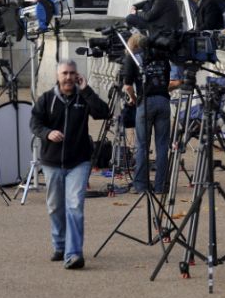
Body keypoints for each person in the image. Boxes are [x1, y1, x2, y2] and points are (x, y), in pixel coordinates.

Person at [30, 60, 110, 269]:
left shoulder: (83, 98)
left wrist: (87, 90)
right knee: (55, 207)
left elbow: (104, 112)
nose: (68, 77)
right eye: (64, 73)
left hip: (79, 161)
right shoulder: (46, 99)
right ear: (57, 76)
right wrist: (48, 133)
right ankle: (60, 245)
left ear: (77, 76)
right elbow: (35, 124)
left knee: (75, 206)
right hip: (52, 161)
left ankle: (73, 254)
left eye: (72, 73)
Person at [122, 33, 171, 194]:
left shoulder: (133, 58)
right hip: (163, 100)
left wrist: (134, 99)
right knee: (163, 145)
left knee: (142, 145)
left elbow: (127, 86)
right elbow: (167, 79)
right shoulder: (162, 56)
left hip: (146, 102)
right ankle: (161, 185)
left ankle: (141, 185)